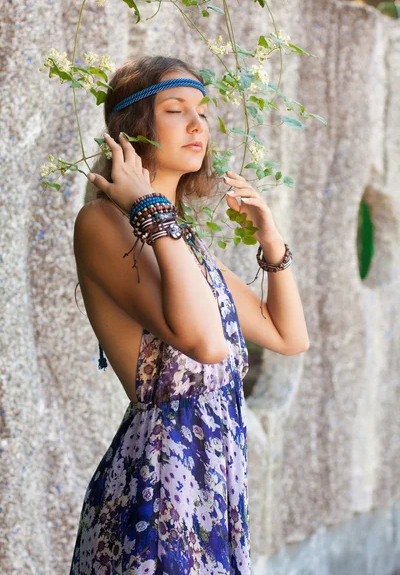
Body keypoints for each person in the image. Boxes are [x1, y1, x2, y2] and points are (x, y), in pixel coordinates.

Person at [69, 54, 309, 575]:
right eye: (176, 110)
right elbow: (205, 342)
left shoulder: (182, 243)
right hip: (159, 492)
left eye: (202, 110)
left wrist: (271, 241)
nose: (199, 124)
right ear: (134, 132)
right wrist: (151, 211)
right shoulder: (103, 225)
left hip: (215, 490)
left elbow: (288, 336)